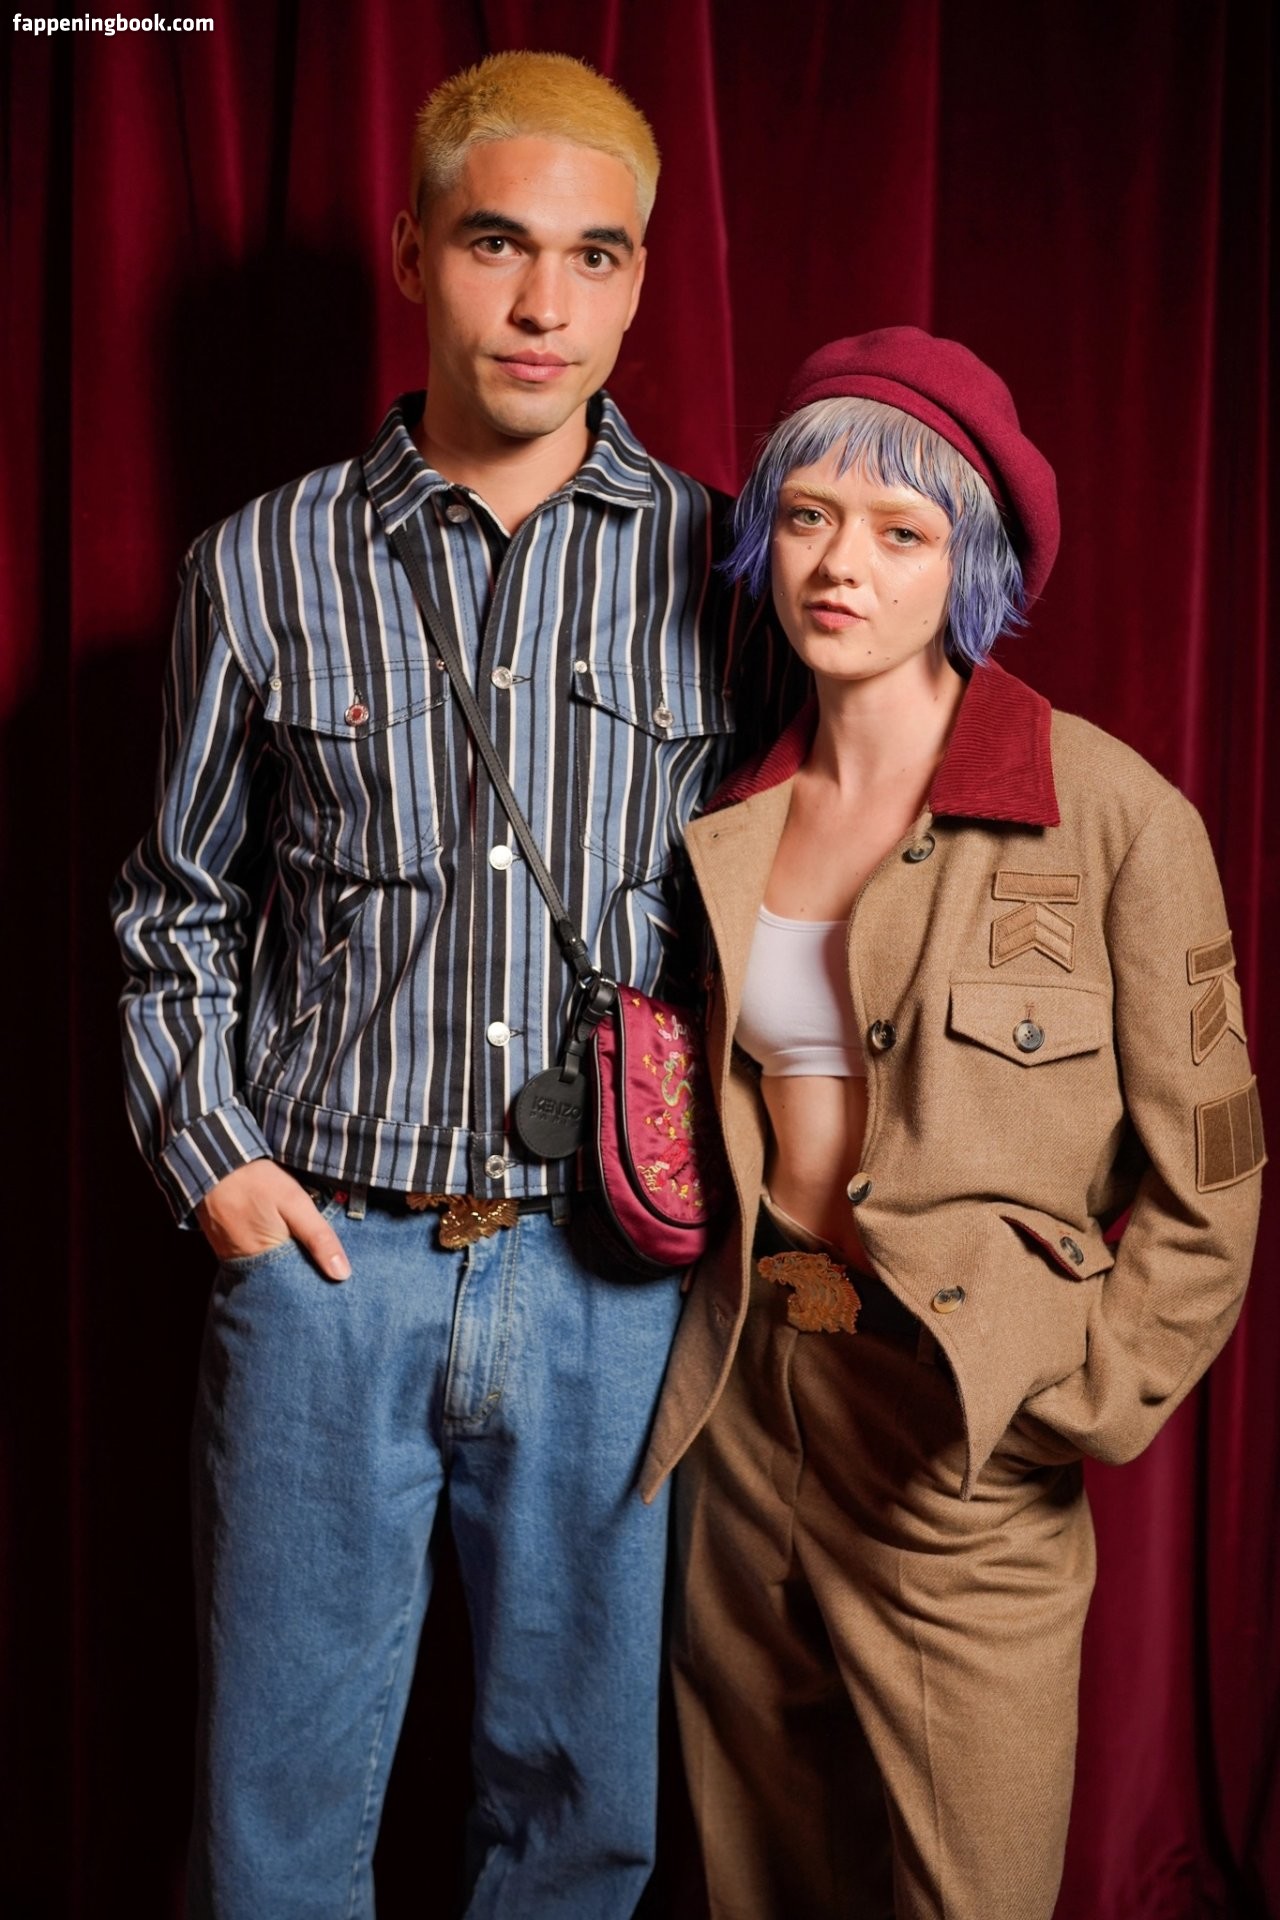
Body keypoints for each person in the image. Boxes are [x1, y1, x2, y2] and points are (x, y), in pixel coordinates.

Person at [111, 50, 779, 1920]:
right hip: (332, 1272)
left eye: (594, 255)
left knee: (583, 1816)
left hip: (611, 1285)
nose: (544, 302)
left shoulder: (729, 570)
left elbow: (796, 909)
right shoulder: (259, 564)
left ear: (638, 282)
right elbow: (172, 910)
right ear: (415, 253)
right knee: (273, 1817)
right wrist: (223, 1176)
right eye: (498, 243)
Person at [638, 327, 1265, 1920]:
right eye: (806, 517)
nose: (841, 565)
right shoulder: (725, 811)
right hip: (745, 1414)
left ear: (966, 564)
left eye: (900, 531)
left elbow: (1215, 1173)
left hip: (955, 1439)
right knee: (753, 1879)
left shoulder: (1116, 819)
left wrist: (1076, 1391)